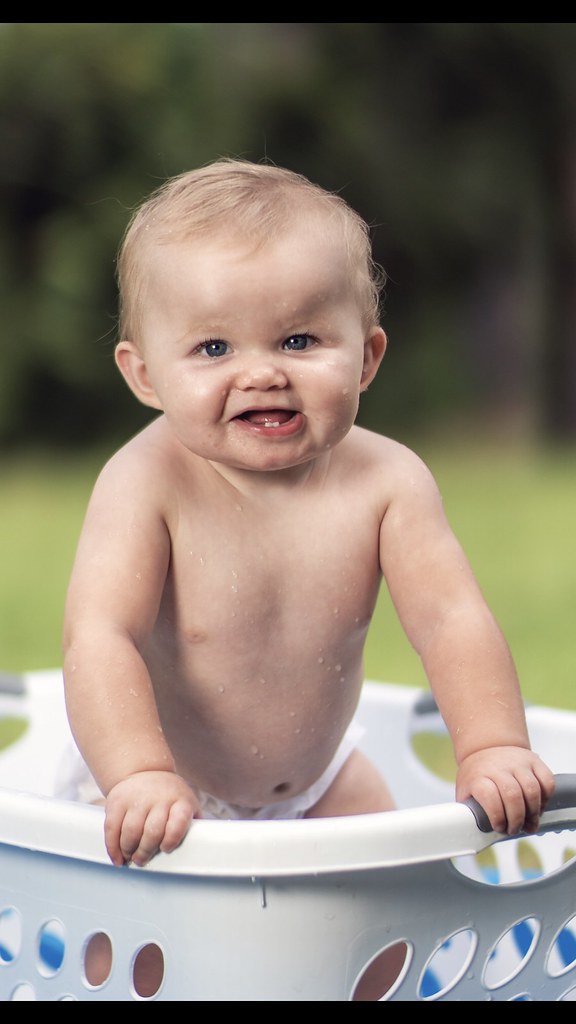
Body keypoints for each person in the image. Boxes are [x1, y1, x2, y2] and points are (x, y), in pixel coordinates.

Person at [61, 157, 555, 878]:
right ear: (145, 375)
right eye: (213, 347)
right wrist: (134, 773)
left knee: (388, 922)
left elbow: (451, 619)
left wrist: (491, 747)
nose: (262, 372)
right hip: (159, 792)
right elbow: (101, 637)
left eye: (298, 341)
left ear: (366, 358)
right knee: (130, 969)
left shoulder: (388, 483)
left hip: (321, 786)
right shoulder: (145, 484)